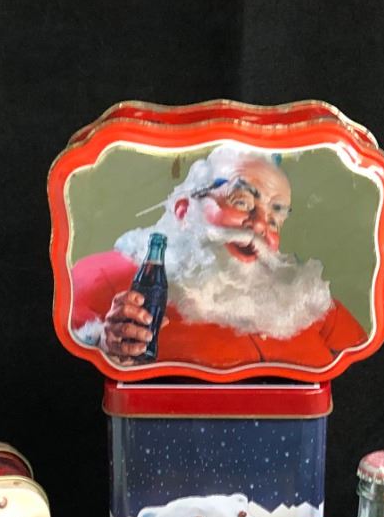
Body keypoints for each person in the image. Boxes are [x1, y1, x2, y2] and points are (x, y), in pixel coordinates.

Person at [68, 145, 367, 371]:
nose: (260, 226)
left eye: (275, 218)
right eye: (242, 202)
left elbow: (364, 379)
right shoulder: (102, 277)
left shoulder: (305, 299)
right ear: (184, 211)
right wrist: (106, 346)